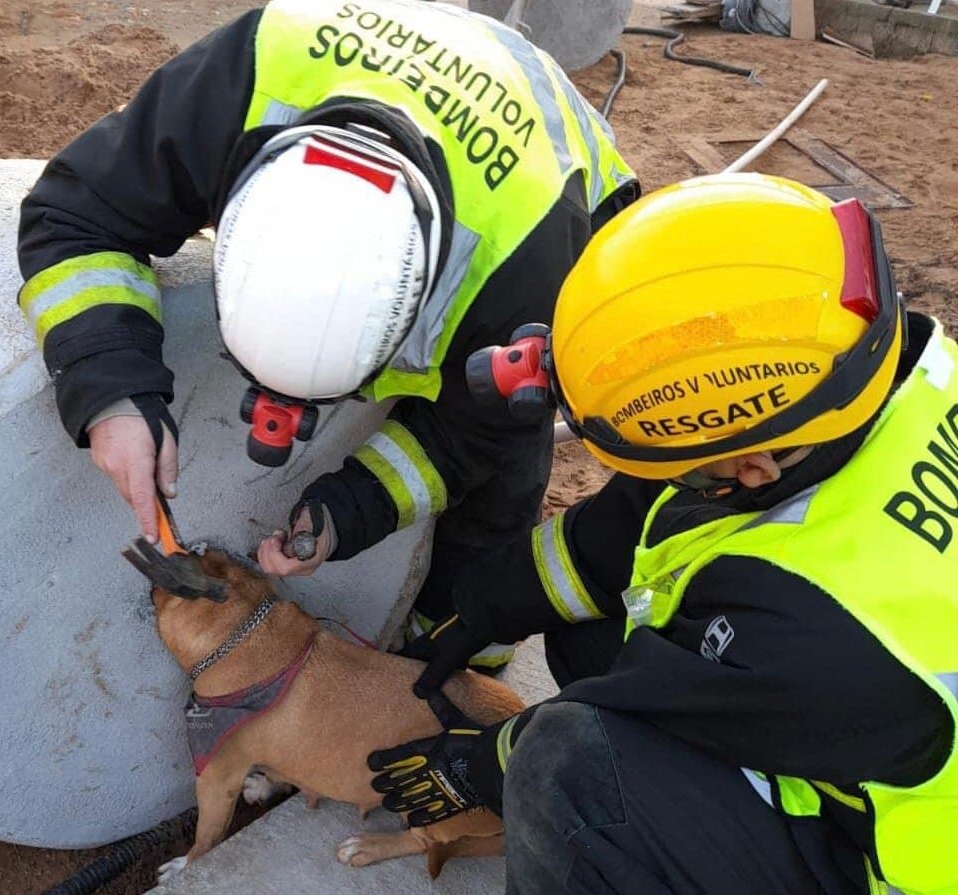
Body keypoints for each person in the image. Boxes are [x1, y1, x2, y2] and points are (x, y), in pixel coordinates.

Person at [369, 174, 958, 895]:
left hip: (880, 859)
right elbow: (629, 524)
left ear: (751, 465)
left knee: (563, 769)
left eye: (680, 469)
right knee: (585, 640)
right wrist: (487, 604)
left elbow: (644, 698)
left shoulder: (828, 628)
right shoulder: (859, 364)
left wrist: (488, 760)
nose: (665, 481)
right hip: (843, 720)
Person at [15, 0, 637, 670]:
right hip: (367, 53)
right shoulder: (236, 87)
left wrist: (352, 506)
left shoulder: (527, 275)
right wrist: (111, 391)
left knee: (502, 477)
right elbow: (74, 216)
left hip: (549, 174)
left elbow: (475, 437)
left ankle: (459, 656)